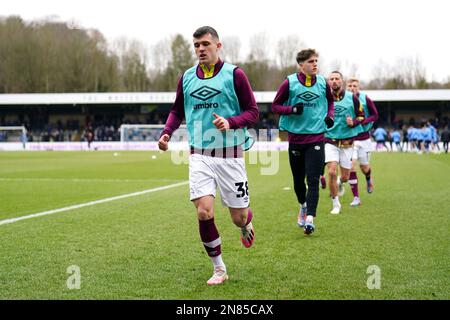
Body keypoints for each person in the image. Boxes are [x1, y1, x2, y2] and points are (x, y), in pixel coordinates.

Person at [158, 26, 259, 286]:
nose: (200, 49)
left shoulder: (235, 75)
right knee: (204, 212)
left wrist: (231, 122)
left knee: (238, 217)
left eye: (205, 44)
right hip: (200, 155)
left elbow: (253, 112)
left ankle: (246, 224)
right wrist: (167, 132)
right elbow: (176, 110)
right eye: (196, 45)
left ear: (218, 45)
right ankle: (219, 268)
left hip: (230, 155)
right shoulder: (187, 77)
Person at [271, 48, 334, 235]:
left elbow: (330, 102)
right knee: (298, 181)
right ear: (301, 65)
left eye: (316, 61)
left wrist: (329, 116)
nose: (315, 64)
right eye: (311, 61)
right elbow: (275, 106)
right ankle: (303, 205)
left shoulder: (323, 82)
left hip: (316, 137)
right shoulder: (289, 83)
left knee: (313, 180)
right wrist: (291, 110)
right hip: (296, 139)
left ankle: (310, 219)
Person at [325, 71, 364, 214]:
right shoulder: (324, 98)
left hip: (347, 143)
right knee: (331, 171)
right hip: (330, 141)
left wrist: (353, 122)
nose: (334, 81)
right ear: (328, 82)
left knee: (345, 177)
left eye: (337, 79)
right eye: (332, 79)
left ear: (342, 81)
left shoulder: (352, 98)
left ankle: (341, 183)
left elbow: (362, 116)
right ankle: (336, 204)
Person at [346, 77, 379, 206]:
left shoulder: (365, 99)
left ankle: (368, 178)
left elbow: (375, 115)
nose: (352, 88)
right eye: (350, 86)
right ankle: (356, 198)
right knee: (351, 166)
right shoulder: (343, 99)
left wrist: (361, 121)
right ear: (346, 86)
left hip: (364, 139)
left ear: (358, 87)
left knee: (364, 168)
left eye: (354, 86)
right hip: (350, 138)